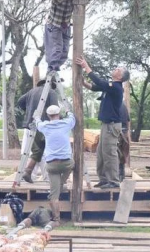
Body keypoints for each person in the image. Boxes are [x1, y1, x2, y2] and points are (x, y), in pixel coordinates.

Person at [77, 56, 130, 189]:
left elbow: (99, 82)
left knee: (110, 152)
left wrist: (86, 67)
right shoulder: (110, 87)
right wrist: (83, 83)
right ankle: (104, 178)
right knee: (101, 152)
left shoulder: (116, 87)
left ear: (120, 76)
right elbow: (95, 87)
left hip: (112, 125)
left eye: (118, 69)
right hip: (106, 124)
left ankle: (113, 180)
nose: (115, 68)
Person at [35, 105, 75, 227]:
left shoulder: (45, 126)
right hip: (66, 164)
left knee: (54, 195)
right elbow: (73, 118)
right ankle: (62, 182)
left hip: (52, 165)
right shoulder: (66, 124)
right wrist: (68, 111)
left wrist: (36, 116)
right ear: (59, 114)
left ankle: (56, 219)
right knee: (73, 164)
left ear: (48, 115)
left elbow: (37, 122)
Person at [41, 0, 85, 74]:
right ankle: (51, 68)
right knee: (57, 49)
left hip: (66, 25)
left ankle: (55, 68)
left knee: (65, 51)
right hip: (54, 24)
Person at [17, 79, 59, 183]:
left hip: (29, 125)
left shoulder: (31, 91)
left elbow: (20, 102)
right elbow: (55, 111)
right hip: (43, 126)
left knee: (29, 152)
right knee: (45, 153)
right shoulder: (52, 92)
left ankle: (28, 175)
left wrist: (28, 110)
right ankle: (48, 179)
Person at [118, 103, 130, 182]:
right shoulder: (124, 106)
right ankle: (122, 178)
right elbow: (128, 120)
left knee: (115, 155)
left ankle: (116, 178)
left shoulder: (113, 105)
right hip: (124, 132)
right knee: (122, 156)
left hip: (117, 132)